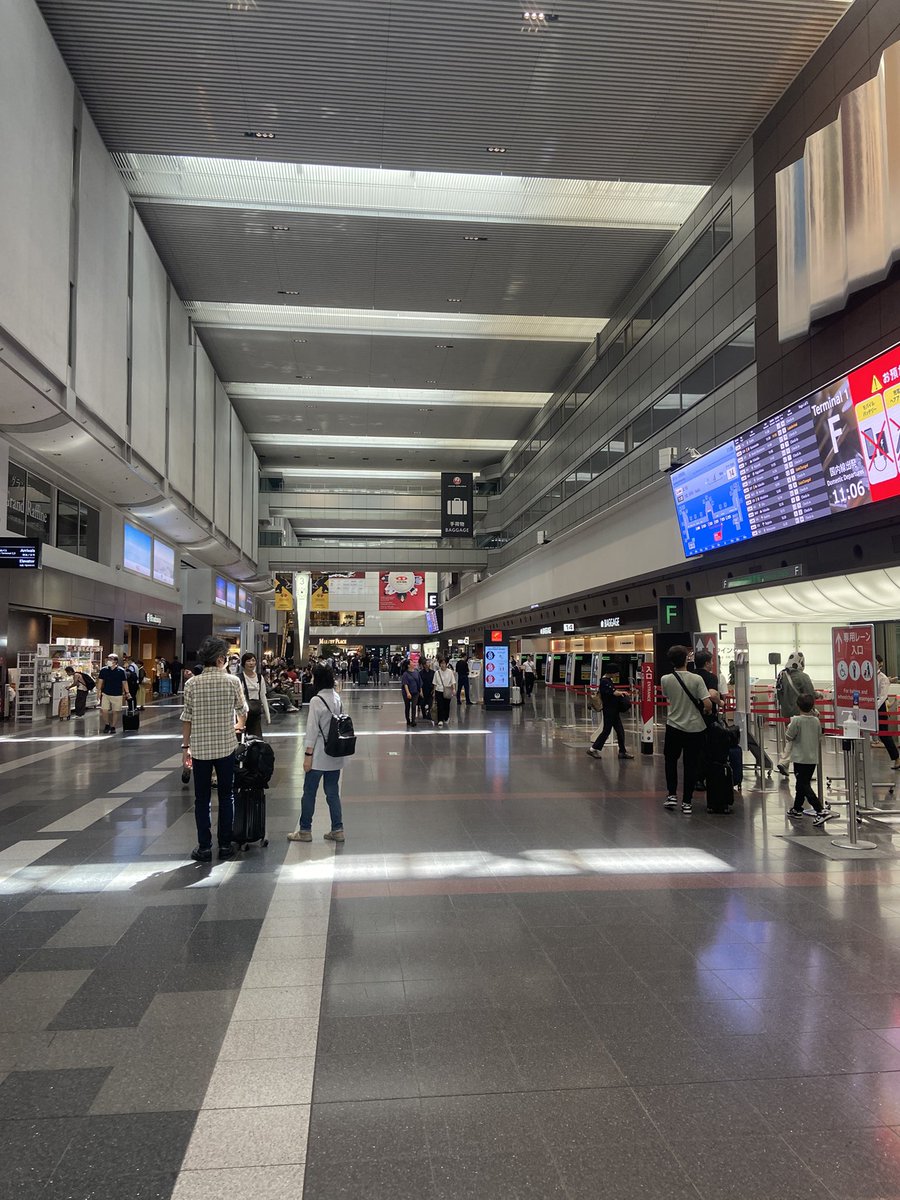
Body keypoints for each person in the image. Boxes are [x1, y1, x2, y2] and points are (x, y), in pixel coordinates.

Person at [180, 635, 248, 862]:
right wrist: (237, 726)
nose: (228, 661)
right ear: (220, 659)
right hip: (226, 747)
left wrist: (185, 747)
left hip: (199, 750)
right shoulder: (232, 681)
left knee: (202, 799)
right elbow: (242, 711)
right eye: (226, 657)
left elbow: (186, 718)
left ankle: (204, 847)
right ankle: (226, 845)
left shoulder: (192, 684)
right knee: (226, 796)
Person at [287, 664, 346, 843]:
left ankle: (305, 830)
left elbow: (312, 730)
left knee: (309, 792)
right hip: (335, 754)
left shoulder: (316, 700)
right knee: (332, 793)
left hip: (319, 754)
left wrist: (307, 756)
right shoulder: (337, 697)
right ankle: (338, 829)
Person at [660, 645, 711, 814]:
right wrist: (707, 710)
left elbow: (668, 696)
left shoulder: (666, 679)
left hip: (674, 726)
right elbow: (707, 703)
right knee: (691, 764)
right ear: (686, 660)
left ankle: (672, 794)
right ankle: (687, 802)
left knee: (670, 760)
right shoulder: (697, 679)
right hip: (695, 728)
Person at [785, 693, 834, 825]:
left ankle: (820, 810)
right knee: (802, 783)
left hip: (800, 758)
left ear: (798, 705)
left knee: (804, 784)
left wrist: (788, 728)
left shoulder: (796, 721)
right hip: (812, 758)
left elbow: (789, 736)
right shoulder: (816, 721)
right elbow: (819, 735)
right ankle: (796, 808)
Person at [586, 671, 634, 759]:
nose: (616, 675)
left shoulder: (607, 680)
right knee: (606, 731)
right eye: (615, 673)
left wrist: (619, 692)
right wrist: (622, 693)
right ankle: (592, 749)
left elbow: (613, 691)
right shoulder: (604, 681)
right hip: (609, 711)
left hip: (613, 711)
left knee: (620, 731)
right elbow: (613, 692)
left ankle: (622, 751)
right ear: (610, 672)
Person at [238, 652, 271, 738]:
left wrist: (268, 715)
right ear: (243, 663)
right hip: (242, 714)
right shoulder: (239, 678)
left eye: (253, 660)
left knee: (256, 739)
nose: (251, 663)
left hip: (255, 713)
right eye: (248, 661)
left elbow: (263, 696)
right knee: (240, 739)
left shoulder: (260, 678)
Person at [876, 655, 900, 770]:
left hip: (880, 707)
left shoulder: (883, 678)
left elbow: (882, 697)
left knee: (883, 734)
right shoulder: (866, 676)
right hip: (868, 706)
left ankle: (897, 758)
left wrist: (873, 708)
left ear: (880, 664)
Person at [97, 653, 130, 735]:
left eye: (110, 659)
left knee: (116, 711)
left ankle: (113, 726)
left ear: (115, 661)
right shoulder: (104, 670)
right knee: (104, 710)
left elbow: (124, 682)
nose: (108, 661)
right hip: (106, 693)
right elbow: (100, 681)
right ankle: (107, 724)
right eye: (108, 659)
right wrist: (98, 692)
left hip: (117, 694)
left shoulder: (121, 671)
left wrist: (127, 693)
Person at [433, 657, 456, 728]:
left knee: (447, 705)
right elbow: (435, 683)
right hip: (439, 690)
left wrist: (454, 689)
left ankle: (446, 717)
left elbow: (453, 681)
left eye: (444, 663)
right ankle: (440, 719)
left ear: (447, 664)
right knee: (440, 705)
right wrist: (434, 692)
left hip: (448, 690)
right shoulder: (437, 673)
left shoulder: (450, 672)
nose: (442, 665)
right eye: (441, 663)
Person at [401, 659, 421, 727]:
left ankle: (413, 720)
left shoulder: (416, 672)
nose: (413, 663)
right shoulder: (405, 674)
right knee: (407, 706)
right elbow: (405, 684)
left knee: (413, 706)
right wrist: (408, 693)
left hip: (415, 692)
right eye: (412, 662)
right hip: (407, 693)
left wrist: (420, 691)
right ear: (409, 665)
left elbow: (419, 682)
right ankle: (408, 720)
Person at [418, 658, 435, 723]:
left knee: (430, 703)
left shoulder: (433, 672)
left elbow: (434, 682)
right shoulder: (421, 673)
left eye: (429, 663)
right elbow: (420, 683)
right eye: (427, 663)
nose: (428, 664)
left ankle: (429, 714)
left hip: (430, 690)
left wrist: (433, 690)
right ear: (424, 665)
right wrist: (421, 691)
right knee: (422, 703)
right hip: (423, 690)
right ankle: (424, 714)